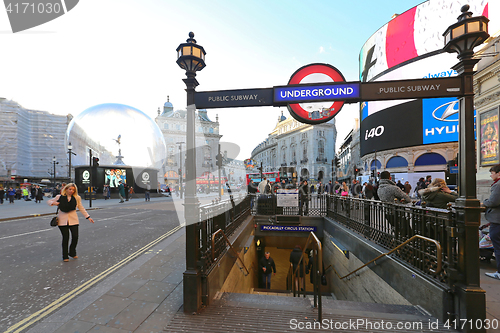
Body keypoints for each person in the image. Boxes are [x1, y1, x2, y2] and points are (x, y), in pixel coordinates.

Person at [47, 183, 94, 262]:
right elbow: (49, 201)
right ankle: (65, 256)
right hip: (62, 220)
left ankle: (72, 252)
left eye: (73, 190)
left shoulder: (77, 198)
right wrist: (56, 203)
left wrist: (88, 217)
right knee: (65, 238)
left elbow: (81, 207)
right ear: (66, 189)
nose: (71, 191)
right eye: (70, 189)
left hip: (73, 220)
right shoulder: (59, 197)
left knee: (75, 237)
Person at [481, 164, 500, 280]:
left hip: (497, 220)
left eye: (492, 173)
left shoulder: (498, 185)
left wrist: (484, 202)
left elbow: (493, 201)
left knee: (497, 246)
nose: (491, 175)